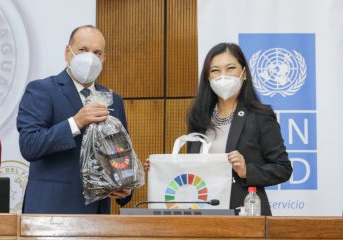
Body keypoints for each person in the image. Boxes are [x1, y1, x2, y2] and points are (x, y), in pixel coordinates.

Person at [145, 42, 292, 215]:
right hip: (201, 213)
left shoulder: (261, 116)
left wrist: (247, 170)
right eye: (215, 70)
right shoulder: (199, 117)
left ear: (244, 74)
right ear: (208, 77)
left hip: (244, 214)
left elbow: (283, 168)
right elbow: (196, 169)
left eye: (230, 68)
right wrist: (162, 169)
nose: (223, 76)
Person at [17, 25, 132, 214]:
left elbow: (121, 153)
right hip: (51, 212)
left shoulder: (113, 99)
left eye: (97, 52)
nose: (90, 58)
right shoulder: (41, 90)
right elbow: (30, 145)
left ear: (104, 58)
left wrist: (126, 187)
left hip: (99, 216)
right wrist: (76, 122)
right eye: (83, 50)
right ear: (67, 52)